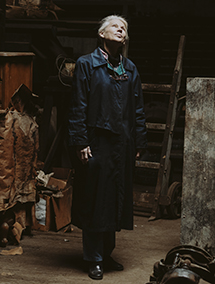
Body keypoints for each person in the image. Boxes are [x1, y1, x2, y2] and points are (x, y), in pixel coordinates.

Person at [68, 15, 147, 280]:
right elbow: (78, 105)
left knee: (114, 198)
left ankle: (107, 252)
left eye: (124, 27)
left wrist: (139, 140)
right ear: (101, 34)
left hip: (121, 143)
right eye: (115, 26)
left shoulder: (130, 68)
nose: (121, 29)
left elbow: (137, 108)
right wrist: (80, 141)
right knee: (95, 199)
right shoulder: (86, 64)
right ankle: (93, 258)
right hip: (97, 142)